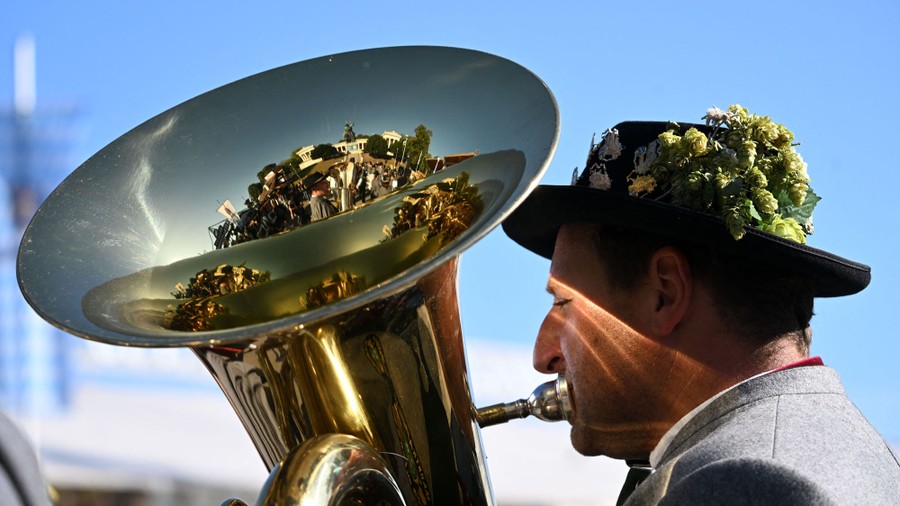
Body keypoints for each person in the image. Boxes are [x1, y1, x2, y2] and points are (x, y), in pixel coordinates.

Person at [502, 105, 900, 504]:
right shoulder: (853, 453)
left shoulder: (746, 482)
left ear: (665, 293)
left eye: (565, 304)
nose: (544, 357)